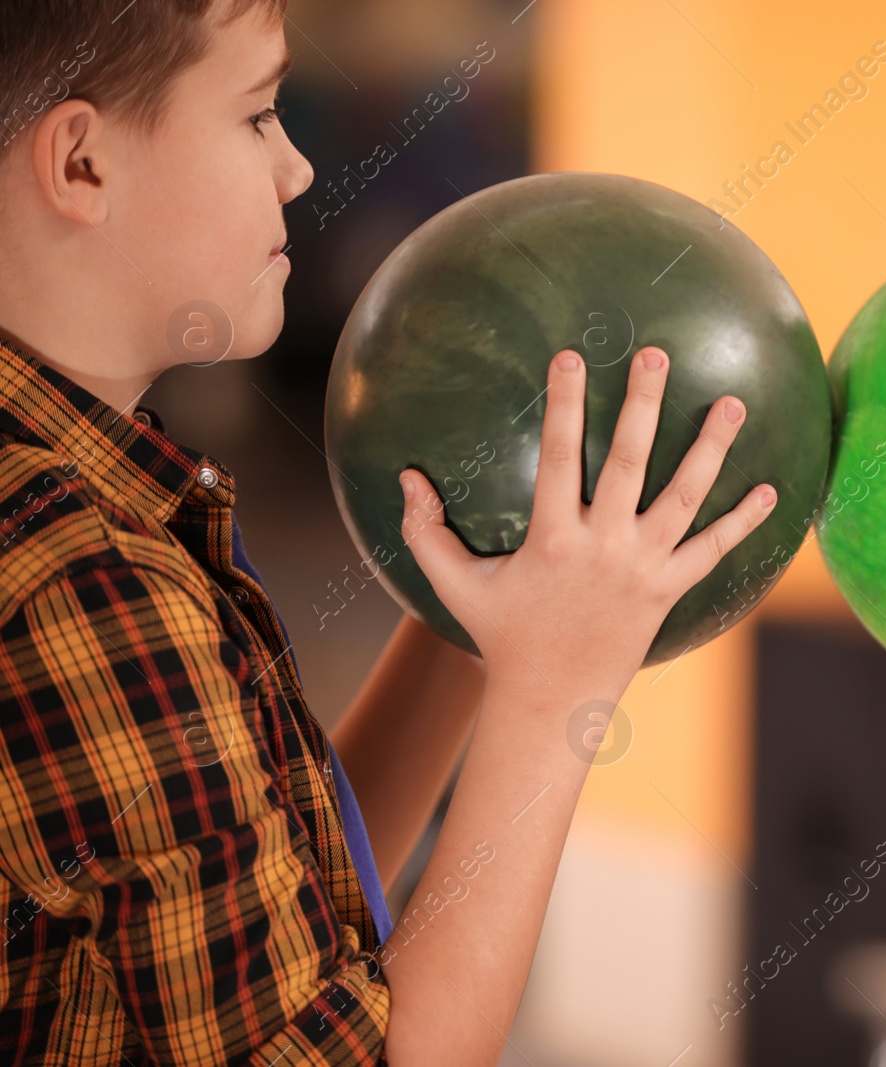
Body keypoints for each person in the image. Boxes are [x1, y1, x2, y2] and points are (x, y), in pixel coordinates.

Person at [0, 1, 777, 1063]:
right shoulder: (82, 584)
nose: (299, 170)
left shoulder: (74, 497)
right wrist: (554, 693)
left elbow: (277, 894)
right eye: (259, 115)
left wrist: (478, 613)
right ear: (82, 164)